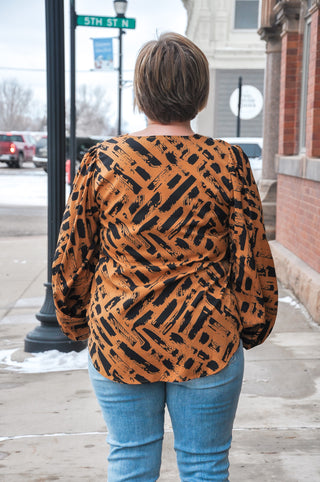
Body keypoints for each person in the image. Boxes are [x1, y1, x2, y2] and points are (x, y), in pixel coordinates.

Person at [52, 32, 278, 482]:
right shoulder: (227, 162)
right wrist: (248, 325)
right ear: (200, 92)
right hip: (206, 334)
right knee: (205, 467)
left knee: (130, 464)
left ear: (141, 92)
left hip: (121, 335)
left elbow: (72, 258)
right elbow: (250, 259)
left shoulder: (102, 162)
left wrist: (78, 322)